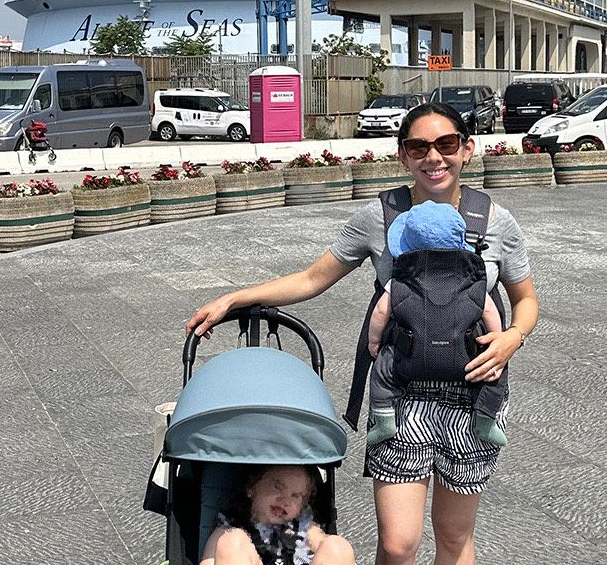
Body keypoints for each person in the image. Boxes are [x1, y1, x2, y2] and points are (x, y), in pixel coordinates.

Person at [187, 102, 539, 565]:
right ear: (403, 156)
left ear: (467, 149)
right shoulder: (381, 216)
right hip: (400, 394)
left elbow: (525, 299)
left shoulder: (495, 221)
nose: (434, 157)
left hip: (475, 393)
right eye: (419, 147)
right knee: (398, 543)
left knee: (454, 538)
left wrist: (513, 337)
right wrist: (235, 299)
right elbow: (313, 278)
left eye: (447, 144)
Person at [366, 200, 509, 447]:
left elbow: (380, 312)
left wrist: (374, 342)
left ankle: (385, 419)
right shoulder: (471, 281)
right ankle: (485, 420)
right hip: (467, 360)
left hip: (408, 359)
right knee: (494, 371)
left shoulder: (401, 281)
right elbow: (489, 310)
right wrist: (497, 340)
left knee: (382, 371)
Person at [202, 464, 355, 565]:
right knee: (231, 542)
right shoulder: (230, 526)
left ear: (302, 506)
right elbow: (208, 561)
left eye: (295, 495)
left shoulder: (305, 528)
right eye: (277, 487)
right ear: (251, 487)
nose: (285, 500)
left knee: (338, 546)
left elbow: (332, 554)